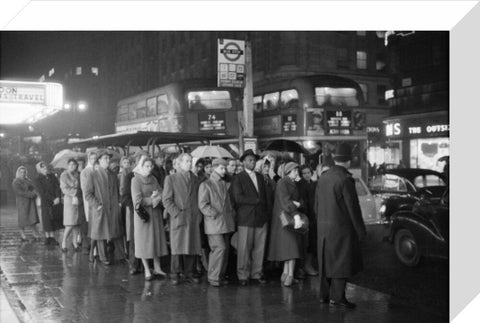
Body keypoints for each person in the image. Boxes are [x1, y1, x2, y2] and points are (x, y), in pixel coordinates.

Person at [315, 143, 366, 308]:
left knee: (325, 262)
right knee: (341, 263)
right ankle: (337, 297)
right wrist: (361, 231)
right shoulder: (345, 179)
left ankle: (324, 295)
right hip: (341, 228)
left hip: (323, 228)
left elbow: (316, 205)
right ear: (349, 161)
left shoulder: (323, 177)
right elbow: (353, 208)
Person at [229, 149, 269, 286]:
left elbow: (265, 196)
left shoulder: (260, 177)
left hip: (260, 217)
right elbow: (237, 198)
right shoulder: (238, 177)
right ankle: (243, 275)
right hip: (245, 217)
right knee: (244, 248)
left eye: (254, 160)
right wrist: (256, 200)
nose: (252, 162)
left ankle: (256, 273)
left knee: (259, 247)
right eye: (249, 160)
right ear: (244, 162)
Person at [162, 153, 202, 285]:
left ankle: (189, 272)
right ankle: (175, 272)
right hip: (179, 216)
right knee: (177, 246)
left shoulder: (195, 178)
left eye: (191, 161)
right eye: (186, 161)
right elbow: (166, 200)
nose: (189, 164)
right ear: (179, 163)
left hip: (193, 216)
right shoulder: (171, 178)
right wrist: (177, 214)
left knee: (192, 244)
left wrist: (198, 214)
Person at [84, 150, 125, 265]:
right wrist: (97, 205)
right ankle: (103, 257)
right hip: (100, 208)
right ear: (99, 160)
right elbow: (88, 194)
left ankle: (120, 255)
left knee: (116, 231)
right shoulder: (93, 175)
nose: (108, 160)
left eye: (108, 158)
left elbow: (117, 191)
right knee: (100, 233)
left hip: (113, 207)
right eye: (105, 158)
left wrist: (119, 202)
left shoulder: (112, 174)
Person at [198, 158, 235, 287]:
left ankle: (219, 275)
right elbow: (203, 204)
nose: (224, 170)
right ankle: (213, 276)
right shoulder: (206, 184)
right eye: (221, 168)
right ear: (214, 168)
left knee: (224, 250)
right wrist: (213, 213)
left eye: (225, 168)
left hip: (225, 222)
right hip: (214, 223)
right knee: (219, 248)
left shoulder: (224, 184)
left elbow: (229, 203)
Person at [131, 155, 169, 281]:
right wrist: (153, 200)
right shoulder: (135, 180)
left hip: (156, 214)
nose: (149, 168)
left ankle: (157, 267)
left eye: (151, 166)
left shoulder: (153, 178)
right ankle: (147, 269)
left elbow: (162, 191)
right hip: (144, 216)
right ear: (141, 166)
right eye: (147, 166)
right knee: (143, 242)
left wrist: (158, 196)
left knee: (156, 241)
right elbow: (137, 200)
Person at [267, 162, 303, 287]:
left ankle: (286, 274)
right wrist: (296, 213)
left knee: (288, 248)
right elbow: (286, 201)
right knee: (292, 248)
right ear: (288, 172)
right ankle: (290, 275)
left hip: (283, 219)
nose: (296, 173)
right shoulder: (284, 182)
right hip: (287, 218)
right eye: (294, 171)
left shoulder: (285, 182)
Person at [296, 165, 319, 277]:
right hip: (306, 217)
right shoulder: (300, 185)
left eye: (308, 172)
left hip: (314, 217)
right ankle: (304, 266)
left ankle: (307, 265)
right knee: (307, 243)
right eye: (304, 173)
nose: (306, 175)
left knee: (312, 243)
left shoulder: (314, 184)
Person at [60, 159, 85, 252]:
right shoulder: (64, 175)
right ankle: (64, 242)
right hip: (69, 200)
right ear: (67, 165)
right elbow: (64, 188)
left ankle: (74, 242)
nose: (72, 166)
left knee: (77, 223)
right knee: (70, 223)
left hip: (78, 199)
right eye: (70, 164)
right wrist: (75, 192)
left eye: (74, 165)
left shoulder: (78, 174)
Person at [33, 161, 61, 246]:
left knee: (53, 219)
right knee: (46, 220)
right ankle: (48, 237)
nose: (45, 169)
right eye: (43, 168)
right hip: (46, 202)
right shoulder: (37, 179)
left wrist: (57, 197)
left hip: (55, 201)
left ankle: (52, 237)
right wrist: (53, 199)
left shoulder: (52, 176)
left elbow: (57, 187)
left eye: (45, 167)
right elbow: (42, 192)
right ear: (39, 170)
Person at [12, 166, 40, 241]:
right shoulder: (16, 181)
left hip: (30, 202)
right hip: (22, 202)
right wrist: (31, 194)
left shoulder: (28, 180)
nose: (23, 174)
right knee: (22, 218)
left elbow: (33, 188)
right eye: (21, 172)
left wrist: (35, 193)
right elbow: (19, 192)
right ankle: (22, 234)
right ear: (18, 173)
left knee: (32, 217)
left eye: (24, 172)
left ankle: (34, 233)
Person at [80, 151, 97, 258]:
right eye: (92, 158)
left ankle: (96, 247)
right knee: (90, 223)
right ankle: (89, 246)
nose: (94, 160)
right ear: (89, 159)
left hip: (98, 197)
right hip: (89, 199)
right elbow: (84, 187)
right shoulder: (85, 171)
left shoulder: (98, 169)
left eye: (95, 158)